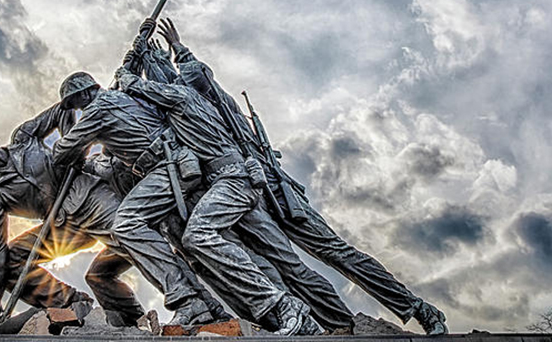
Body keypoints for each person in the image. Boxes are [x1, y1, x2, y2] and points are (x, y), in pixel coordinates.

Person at [156, 17, 450, 336]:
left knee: (336, 252)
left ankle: (418, 308)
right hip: (251, 193)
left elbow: (197, 76)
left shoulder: (217, 100)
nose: (184, 84)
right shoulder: (192, 115)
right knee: (289, 269)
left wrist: (178, 49)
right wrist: (148, 60)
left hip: (277, 190)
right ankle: (337, 324)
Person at [51, 70, 223, 327]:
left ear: (87, 92)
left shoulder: (96, 111)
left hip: (167, 166)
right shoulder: (120, 97)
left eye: (77, 101)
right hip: (172, 162)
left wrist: (72, 148)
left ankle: (188, 301)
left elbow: (61, 152)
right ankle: (208, 306)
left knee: (127, 224)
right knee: (164, 232)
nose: (78, 108)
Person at [0, 104, 144, 329]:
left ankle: (183, 294)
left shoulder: (24, 138)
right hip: (65, 228)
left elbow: (63, 110)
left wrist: (73, 152)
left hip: (91, 196)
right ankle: (69, 303)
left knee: (130, 243)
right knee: (12, 259)